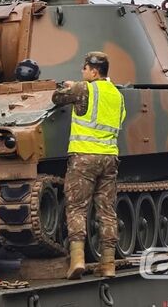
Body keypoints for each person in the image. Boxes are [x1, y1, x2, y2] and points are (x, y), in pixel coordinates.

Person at [51, 52, 126, 279]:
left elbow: (57, 97)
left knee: (76, 207)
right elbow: (119, 119)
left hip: (84, 158)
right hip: (109, 158)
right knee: (107, 211)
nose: (82, 73)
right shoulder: (117, 95)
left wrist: (72, 86)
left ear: (94, 71)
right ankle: (108, 264)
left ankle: (77, 260)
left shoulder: (84, 89)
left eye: (84, 70)